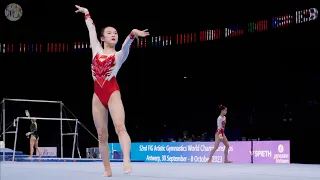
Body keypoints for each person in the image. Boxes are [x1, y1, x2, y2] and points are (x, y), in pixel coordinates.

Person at [75, 5, 149, 177]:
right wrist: (86, 13)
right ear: (102, 38)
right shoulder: (96, 49)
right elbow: (91, 30)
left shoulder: (118, 56)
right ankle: (107, 169)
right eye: (109, 32)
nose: (113, 34)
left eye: (115, 32)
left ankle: (126, 161)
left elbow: (126, 46)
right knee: (101, 135)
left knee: (120, 127)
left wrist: (132, 34)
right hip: (97, 96)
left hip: (112, 92)